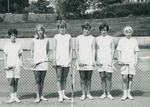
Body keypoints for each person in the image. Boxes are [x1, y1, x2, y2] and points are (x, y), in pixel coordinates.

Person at [116, 26, 139, 101]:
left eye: (129, 32)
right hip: (124, 63)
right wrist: (119, 60)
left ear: (131, 32)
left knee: (131, 77)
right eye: (126, 32)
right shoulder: (121, 41)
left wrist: (136, 61)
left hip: (132, 62)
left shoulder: (134, 41)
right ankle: (124, 94)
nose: (128, 33)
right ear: (124, 32)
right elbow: (119, 51)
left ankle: (129, 93)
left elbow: (136, 52)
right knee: (124, 77)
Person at [53, 20, 72, 102]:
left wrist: (70, 59)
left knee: (64, 78)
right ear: (58, 28)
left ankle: (63, 94)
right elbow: (54, 49)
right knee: (59, 78)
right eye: (61, 27)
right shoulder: (56, 37)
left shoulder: (69, 36)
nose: (62, 29)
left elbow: (71, 49)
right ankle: (60, 95)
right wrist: (54, 60)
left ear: (65, 28)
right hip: (58, 61)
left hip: (66, 60)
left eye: (63, 27)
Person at [76, 22, 95, 101]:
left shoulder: (92, 38)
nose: (86, 30)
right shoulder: (78, 38)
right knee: (82, 77)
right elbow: (76, 50)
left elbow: (93, 50)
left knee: (89, 78)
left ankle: (88, 93)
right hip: (81, 60)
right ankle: (83, 94)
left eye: (88, 29)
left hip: (90, 61)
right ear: (82, 29)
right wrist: (79, 60)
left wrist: (93, 60)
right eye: (85, 29)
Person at [95, 23, 115, 100]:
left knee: (109, 77)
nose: (104, 31)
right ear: (100, 30)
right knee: (102, 77)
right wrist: (97, 60)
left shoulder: (111, 38)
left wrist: (111, 61)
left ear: (107, 30)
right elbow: (96, 50)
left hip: (109, 60)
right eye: (102, 30)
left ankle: (109, 93)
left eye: (105, 30)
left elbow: (113, 50)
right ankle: (104, 93)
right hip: (100, 60)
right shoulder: (97, 39)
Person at [31, 24, 49, 103]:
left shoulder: (46, 40)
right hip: (36, 63)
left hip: (44, 63)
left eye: (41, 30)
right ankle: (37, 96)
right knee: (37, 80)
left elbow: (48, 51)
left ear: (43, 31)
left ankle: (41, 95)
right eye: (38, 30)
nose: (40, 32)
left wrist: (46, 58)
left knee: (42, 80)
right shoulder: (33, 40)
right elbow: (32, 51)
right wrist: (32, 61)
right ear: (36, 31)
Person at [4, 28, 23, 103]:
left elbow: (20, 55)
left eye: (14, 35)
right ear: (10, 36)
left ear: (16, 36)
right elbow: (5, 56)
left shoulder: (18, 45)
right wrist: (5, 65)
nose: (13, 37)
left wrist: (20, 63)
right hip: (9, 66)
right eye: (12, 35)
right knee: (11, 82)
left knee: (16, 81)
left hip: (17, 66)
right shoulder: (7, 45)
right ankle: (12, 97)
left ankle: (15, 97)